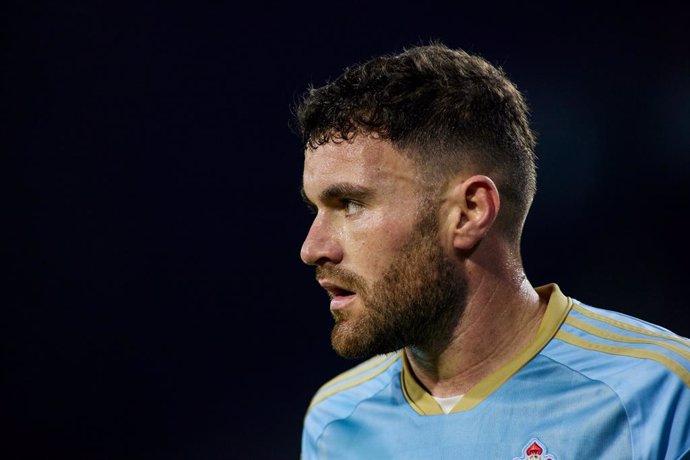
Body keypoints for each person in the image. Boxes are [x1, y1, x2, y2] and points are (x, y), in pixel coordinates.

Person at [294, 43, 690, 459]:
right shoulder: (334, 423)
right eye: (314, 207)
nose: (312, 247)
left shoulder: (661, 393)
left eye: (350, 204)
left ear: (470, 211)